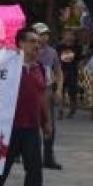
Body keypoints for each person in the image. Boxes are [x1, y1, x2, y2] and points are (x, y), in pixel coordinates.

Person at [0, 28, 52, 186]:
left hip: (31, 125)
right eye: (31, 41)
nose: (36, 45)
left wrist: (46, 122)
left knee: (35, 165)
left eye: (38, 42)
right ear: (20, 43)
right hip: (9, 125)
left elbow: (42, 97)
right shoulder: (7, 66)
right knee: (3, 162)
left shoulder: (41, 69)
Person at [33, 22, 63, 170]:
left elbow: (58, 72)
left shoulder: (52, 52)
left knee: (49, 124)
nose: (44, 37)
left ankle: (48, 157)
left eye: (45, 34)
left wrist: (59, 90)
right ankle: (21, 153)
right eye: (40, 34)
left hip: (47, 91)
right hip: (31, 93)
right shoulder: (27, 51)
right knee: (28, 124)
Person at [56, 28, 82, 119]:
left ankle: (72, 109)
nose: (69, 36)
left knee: (72, 92)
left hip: (72, 71)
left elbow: (79, 59)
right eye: (67, 34)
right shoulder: (59, 46)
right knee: (60, 91)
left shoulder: (77, 47)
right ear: (63, 35)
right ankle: (60, 110)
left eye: (71, 34)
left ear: (74, 37)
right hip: (61, 71)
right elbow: (56, 59)